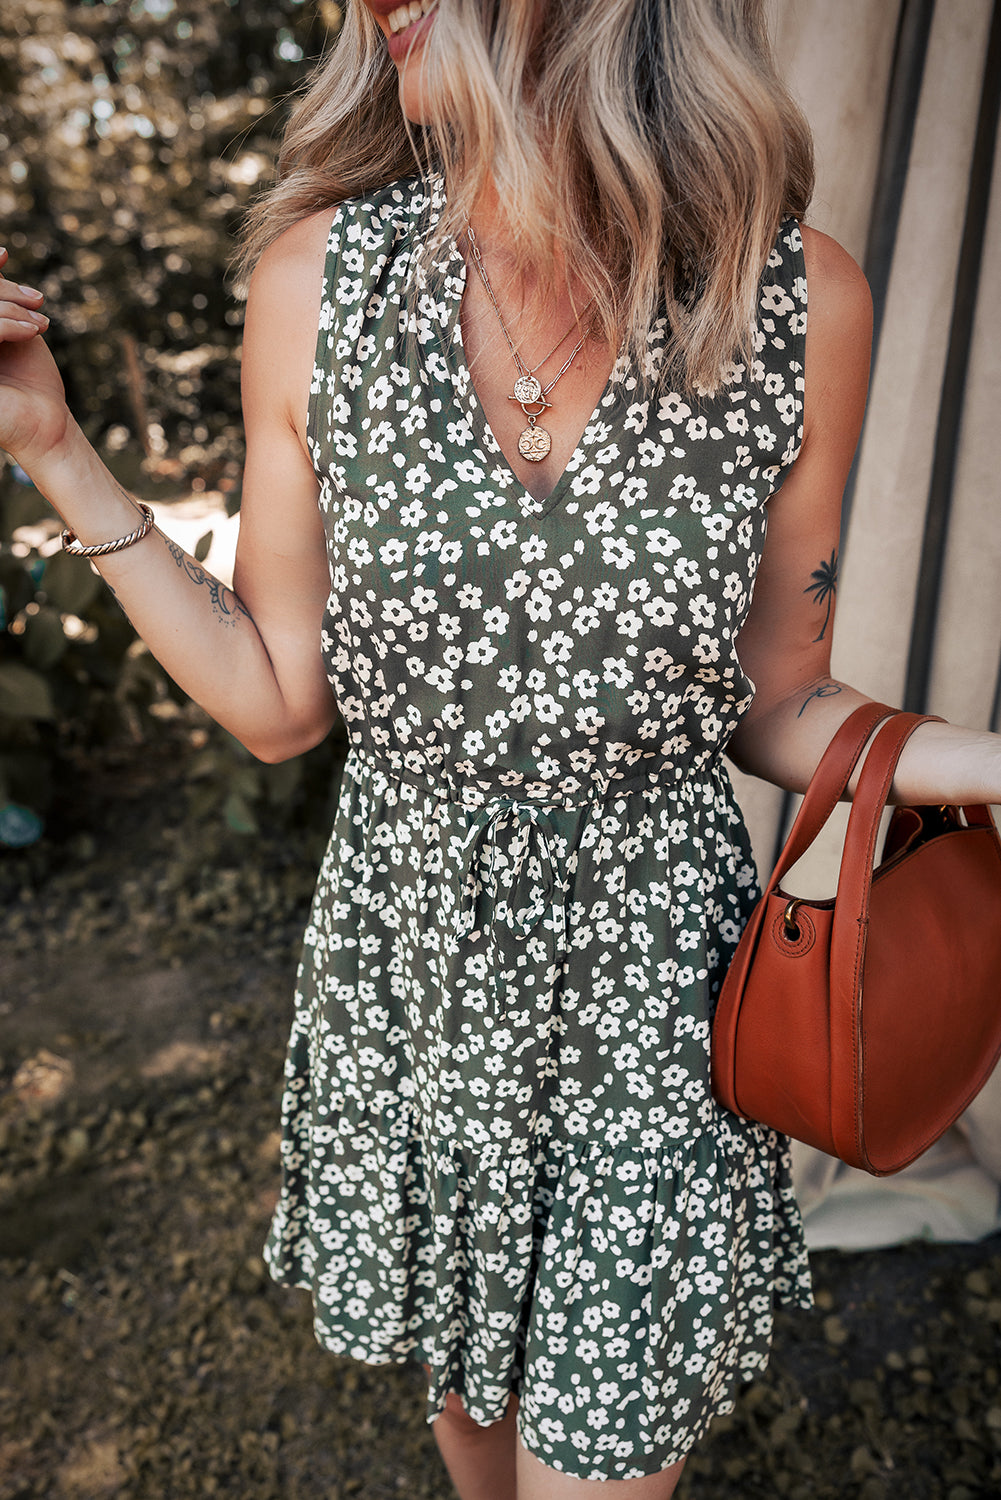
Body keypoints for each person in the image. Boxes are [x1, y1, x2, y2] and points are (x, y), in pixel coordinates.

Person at [2, 1, 999, 1494]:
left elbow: (777, 698)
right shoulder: (316, 286)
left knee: (594, 1456)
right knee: (472, 1432)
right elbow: (279, 703)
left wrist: (985, 765)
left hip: (651, 1003)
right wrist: (56, 453)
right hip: (413, 985)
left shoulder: (792, 301)